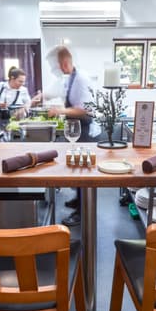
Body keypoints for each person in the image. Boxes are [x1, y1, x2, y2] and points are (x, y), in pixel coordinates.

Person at [46, 45, 97, 227]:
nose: (58, 69)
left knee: (82, 170)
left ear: (64, 63)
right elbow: (63, 95)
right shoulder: (72, 77)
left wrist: (59, 110)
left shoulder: (81, 79)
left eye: (58, 65)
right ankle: (78, 199)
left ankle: (82, 212)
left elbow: (82, 109)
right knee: (76, 167)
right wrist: (43, 96)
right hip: (76, 128)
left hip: (83, 129)